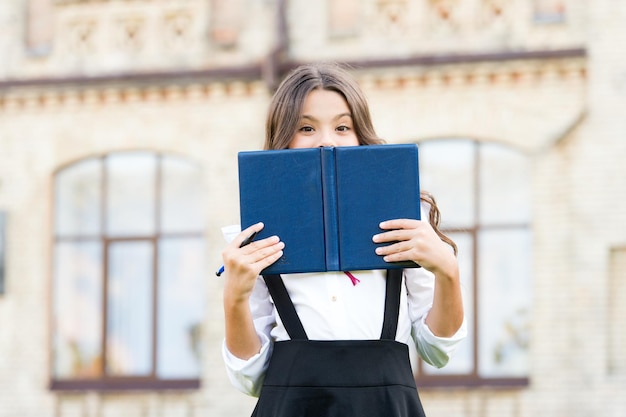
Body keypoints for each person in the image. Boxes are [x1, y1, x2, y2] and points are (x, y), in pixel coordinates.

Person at [221, 63, 466, 417]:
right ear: (283, 138)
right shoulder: (255, 236)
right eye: (306, 127)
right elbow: (250, 379)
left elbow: (438, 351)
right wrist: (234, 296)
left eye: (342, 127)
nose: (326, 140)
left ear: (360, 135)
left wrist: (448, 272)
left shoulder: (405, 220)